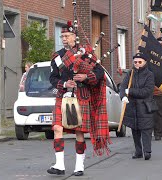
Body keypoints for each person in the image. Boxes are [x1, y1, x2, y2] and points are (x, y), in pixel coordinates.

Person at [48, 21, 109, 176]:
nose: (64, 39)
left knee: (79, 132)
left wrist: (86, 76)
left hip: (81, 95)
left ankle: (79, 166)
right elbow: (53, 78)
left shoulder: (86, 53)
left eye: (67, 36)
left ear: (74, 36)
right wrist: (63, 83)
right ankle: (60, 165)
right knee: (57, 127)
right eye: (62, 36)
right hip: (63, 95)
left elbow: (100, 73)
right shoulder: (58, 56)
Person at [120, 52, 155, 160]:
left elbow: (147, 91)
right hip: (132, 107)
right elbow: (122, 87)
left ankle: (147, 151)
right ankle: (138, 151)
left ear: (145, 62)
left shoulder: (149, 75)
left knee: (146, 129)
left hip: (144, 107)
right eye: (135, 62)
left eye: (140, 62)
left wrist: (130, 91)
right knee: (135, 130)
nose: (137, 64)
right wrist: (123, 96)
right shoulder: (130, 74)